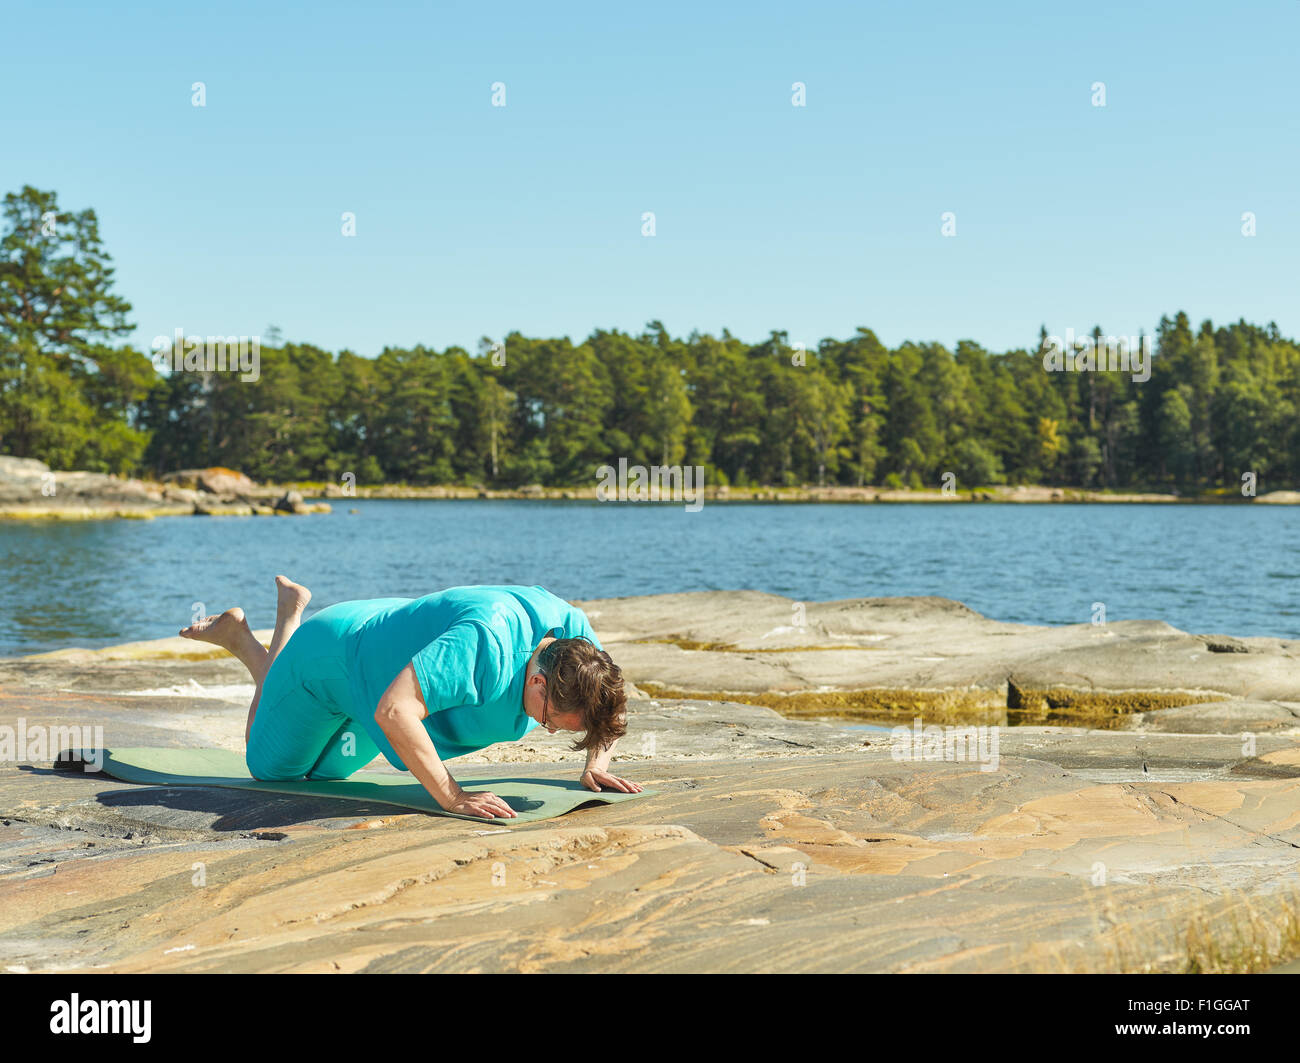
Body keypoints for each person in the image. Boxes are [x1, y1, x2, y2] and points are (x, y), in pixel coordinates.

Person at [179, 578, 640, 819]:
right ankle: (257, 633)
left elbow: (609, 706)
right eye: (552, 722)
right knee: (273, 769)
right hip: (335, 655)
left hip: (386, 666)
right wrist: (452, 796)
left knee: (323, 776)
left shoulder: (577, 645)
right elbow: (395, 710)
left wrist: (595, 764)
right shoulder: (483, 644)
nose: (551, 730)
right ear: (539, 684)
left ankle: (282, 620)